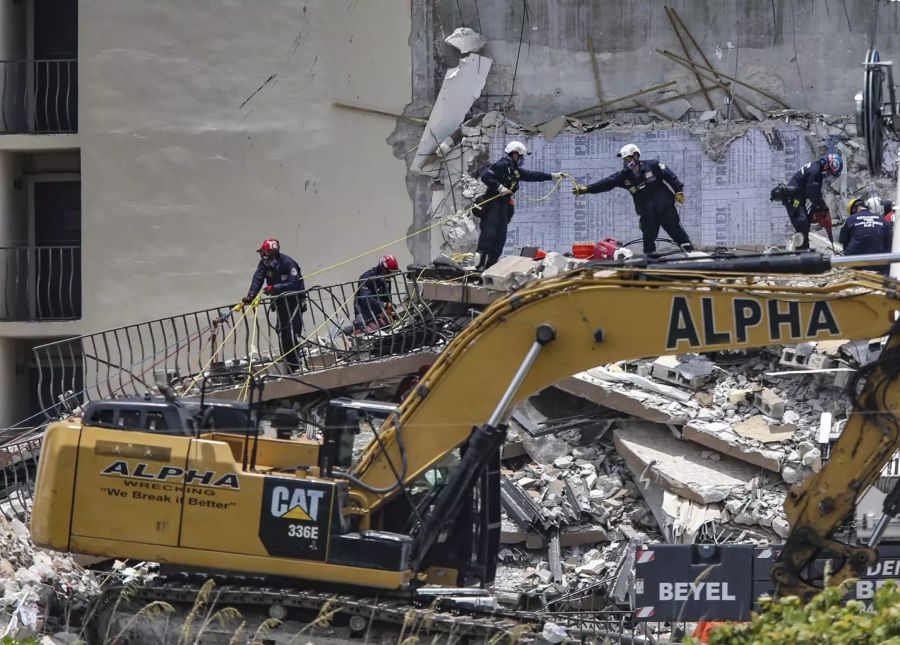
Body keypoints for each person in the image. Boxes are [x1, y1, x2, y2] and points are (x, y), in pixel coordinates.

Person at [573, 143, 693, 255]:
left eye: (628, 158)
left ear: (636, 156)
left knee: (676, 230)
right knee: (648, 236)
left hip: (665, 207)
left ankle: (690, 252)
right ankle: (650, 260)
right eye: (624, 160)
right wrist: (587, 189)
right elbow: (606, 183)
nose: (626, 162)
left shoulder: (652, 165)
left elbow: (670, 176)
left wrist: (678, 190)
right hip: (647, 213)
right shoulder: (623, 176)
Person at [475, 141, 564, 270]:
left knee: (500, 239)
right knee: (488, 236)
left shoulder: (514, 170)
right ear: (514, 154)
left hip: (504, 207)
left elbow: (531, 175)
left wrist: (552, 176)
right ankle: (479, 266)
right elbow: (486, 176)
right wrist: (500, 187)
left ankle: (491, 267)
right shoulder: (501, 165)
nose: (522, 159)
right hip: (493, 205)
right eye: (520, 156)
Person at [243, 238, 306, 371]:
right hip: (280, 303)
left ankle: (296, 365)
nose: (263, 256)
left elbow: (294, 283)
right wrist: (251, 295)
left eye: (266, 253)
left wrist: (275, 288)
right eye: (263, 253)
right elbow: (258, 278)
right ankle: (289, 364)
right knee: (282, 332)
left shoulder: (288, 263)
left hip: (294, 302)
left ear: (274, 252)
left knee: (292, 334)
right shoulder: (264, 264)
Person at [777, 153, 843, 250]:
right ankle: (801, 255)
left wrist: (819, 208)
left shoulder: (815, 168)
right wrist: (823, 207)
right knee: (802, 223)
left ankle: (803, 251)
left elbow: (814, 193)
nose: (828, 175)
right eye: (829, 172)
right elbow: (813, 193)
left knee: (805, 224)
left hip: (798, 198)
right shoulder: (815, 172)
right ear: (827, 165)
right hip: (794, 200)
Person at [840, 197, 892, 273]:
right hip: (878, 263)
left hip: (855, 262)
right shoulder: (882, 220)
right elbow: (888, 243)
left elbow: (842, 240)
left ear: (853, 210)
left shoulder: (850, 219)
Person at [353, 254, 399, 332]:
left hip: (379, 313)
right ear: (383, 269)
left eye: (393, 274)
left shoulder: (386, 279)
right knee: (361, 329)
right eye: (390, 273)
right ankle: (344, 332)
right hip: (364, 313)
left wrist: (391, 311)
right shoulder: (367, 277)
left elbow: (387, 298)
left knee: (395, 322)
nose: (391, 276)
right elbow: (365, 299)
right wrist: (384, 305)